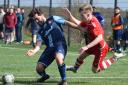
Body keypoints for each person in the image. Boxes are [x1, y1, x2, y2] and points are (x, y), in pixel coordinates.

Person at [62, 4, 125, 73]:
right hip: (93, 45)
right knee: (81, 57)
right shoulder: (87, 20)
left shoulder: (93, 24)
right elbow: (79, 23)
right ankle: (75, 68)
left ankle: (114, 58)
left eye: (82, 16)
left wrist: (87, 46)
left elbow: (100, 38)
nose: (81, 17)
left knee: (94, 70)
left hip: (100, 48)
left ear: (88, 15)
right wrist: (70, 16)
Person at [26, 10, 68, 85]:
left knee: (58, 57)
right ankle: (44, 76)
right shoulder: (40, 31)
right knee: (39, 68)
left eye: (37, 18)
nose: (36, 21)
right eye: (35, 20)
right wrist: (34, 51)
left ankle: (64, 80)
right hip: (50, 49)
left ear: (42, 15)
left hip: (60, 44)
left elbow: (67, 23)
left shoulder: (53, 19)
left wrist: (79, 27)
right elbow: (38, 45)